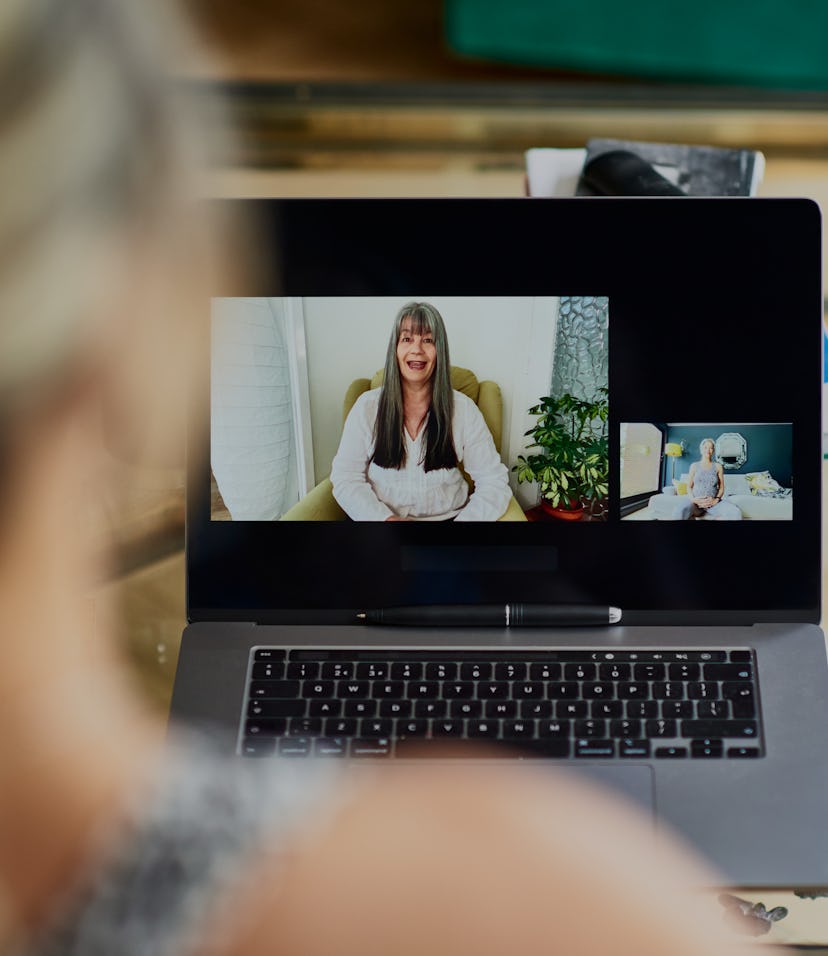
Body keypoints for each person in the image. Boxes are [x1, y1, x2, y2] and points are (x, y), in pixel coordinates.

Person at [0, 2, 771, 955]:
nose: (413, 348)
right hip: (382, 595)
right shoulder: (546, 896)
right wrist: (419, 513)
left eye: (423, 337)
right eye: (403, 336)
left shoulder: (471, 412)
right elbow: (358, 507)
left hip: (478, 579)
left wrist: (466, 514)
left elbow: (484, 492)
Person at [330, 302, 511, 521]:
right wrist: (386, 519)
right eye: (407, 339)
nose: (417, 349)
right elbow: (346, 478)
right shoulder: (367, 407)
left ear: (439, 351)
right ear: (395, 349)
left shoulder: (464, 410)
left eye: (428, 340)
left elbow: (493, 482)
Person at [687, 438, 742, 520]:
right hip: (696, 503)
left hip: (714, 504)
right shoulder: (694, 466)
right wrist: (693, 499)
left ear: (713, 451)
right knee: (680, 511)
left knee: (736, 512)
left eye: (711, 448)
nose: (708, 450)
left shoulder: (718, 466)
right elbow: (689, 487)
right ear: (701, 450)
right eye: (705, 447)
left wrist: (716, 500)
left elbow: (721, 487)